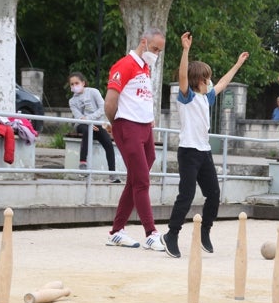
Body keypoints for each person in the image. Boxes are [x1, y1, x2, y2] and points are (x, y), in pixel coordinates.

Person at [160, 32, 249, 258]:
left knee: (214, 194)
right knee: (186, 195)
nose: (210, 81)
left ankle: (205, 231)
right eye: (207, 78)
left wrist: (238, 63)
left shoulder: (206, 97)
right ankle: (171, 234)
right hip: (188, 152)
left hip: (204, 152)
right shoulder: (187, 96)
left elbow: (223, 83)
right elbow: (182, 75)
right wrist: (185, 50)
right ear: (199, 80)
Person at [103, 28, 166, 251]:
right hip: (127, 126)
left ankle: (117, 231)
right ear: (143, 42)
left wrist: (148, 120)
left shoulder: (145, 68)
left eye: (160, 50)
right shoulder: (125, 65)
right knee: (141, 181)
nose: (156, 53)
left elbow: (140, 98)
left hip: (144, 127)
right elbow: (110, 102)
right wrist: (115, 124)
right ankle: (151, 233)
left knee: (136, 178)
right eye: (155, 48)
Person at [68, 72, 120, 183]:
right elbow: (79, 117)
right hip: (82, 125)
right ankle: (83, 163)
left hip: (97, 123)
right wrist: (89, 123)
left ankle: (112, 174)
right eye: (72, 84)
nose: (74, 86)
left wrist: (91, 121)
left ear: (83, 83)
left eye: (76, 83)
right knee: (87, 130)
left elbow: (102, 108)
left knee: (108, 143)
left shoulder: (93, 92)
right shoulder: (72, 101)